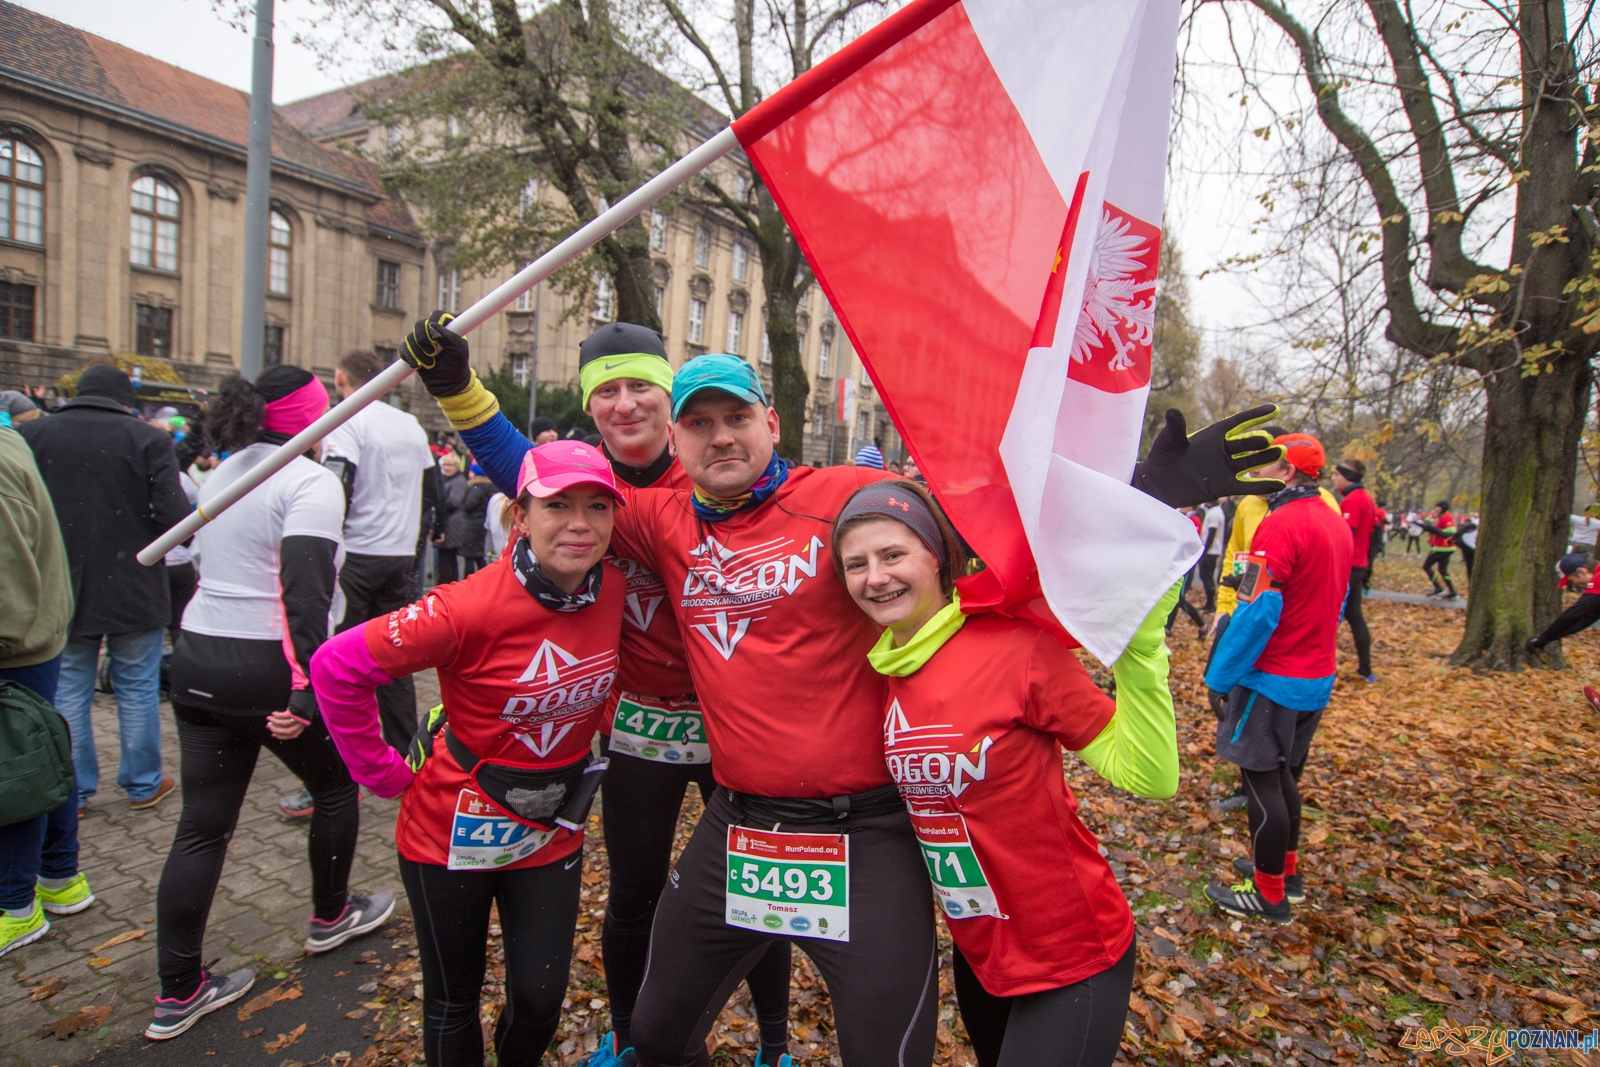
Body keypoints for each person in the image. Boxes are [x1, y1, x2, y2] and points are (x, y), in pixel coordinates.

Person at [409, 324, 937, 1067]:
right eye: (700, 424)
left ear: (771, 423)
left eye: (737, 418)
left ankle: (775, 1044)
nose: (719, 437)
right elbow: (538, 480)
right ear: (679, 438)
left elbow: (958, 540)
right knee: (656, 1032)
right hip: (738, 810)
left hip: (863, 823)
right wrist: (460, 393)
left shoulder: (846, 494)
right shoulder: (658, 518)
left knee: (886, 1053)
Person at [834, 479, 1179, 1067]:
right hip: (982, 953)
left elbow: (1147, 775)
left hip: (1071, 952)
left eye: (893, 555)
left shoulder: (1016, 650)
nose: (875, 577)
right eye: (856, 564)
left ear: (938, 559)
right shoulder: (884, 667)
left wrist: (1142, 650)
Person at [312, 441, 628, 1067]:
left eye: (597, 507)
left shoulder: (614, 589)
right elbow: (337, 667)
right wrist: (381, 774)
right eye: (557, 505)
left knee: (539, 1000)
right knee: (453, 1002)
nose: (579, 524)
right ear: (520, 517)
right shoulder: (465, 608)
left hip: (550, 829)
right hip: (450, 827)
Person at [149, 367, 394, 1041]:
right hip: (265, 663)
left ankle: (179, 989)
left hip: (198, 655)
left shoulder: (224, 470)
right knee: (338, 783)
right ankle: (331, 914)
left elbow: (189, 563)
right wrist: (307, 684)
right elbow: (306, 591)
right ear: (312, 419)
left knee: (201, 825)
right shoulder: (308, 480)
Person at [20, 364, 189, 811]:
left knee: (69, 689)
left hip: (61, 585)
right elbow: (176, 520)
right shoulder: (148, 439)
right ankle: (143, 783)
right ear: (125, 400)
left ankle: (73, 790)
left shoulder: (36, 437)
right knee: (136, 686)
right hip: (133, 582)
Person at [280, 351, 437, 819]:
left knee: (334, 665)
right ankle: (412, 754)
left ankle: (332, 772)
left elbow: (336, 486)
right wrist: (416, 537)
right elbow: (431, 494)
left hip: (357, 555)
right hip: (400, 554)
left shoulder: (345, 419)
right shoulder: (411, 425)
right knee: (394, 661)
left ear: (339, 378)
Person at [1204, 433, 1352, 923]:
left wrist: (1220, 674)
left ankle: (1267, 896)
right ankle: (1285, 874)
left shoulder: (1279, 524)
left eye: (1263, 467)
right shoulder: (1334, 523)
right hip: (1314, 676)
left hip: (1272, 677)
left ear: (1286, 472)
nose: (1253, 476)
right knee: (1285, 776)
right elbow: (1340, 600)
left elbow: (1258, 611)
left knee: (1262, 782)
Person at [0, 424, 95, 957]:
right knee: (44, 752)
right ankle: (59, 876)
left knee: (20, 767)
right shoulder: (11, 438)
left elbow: (7, 593)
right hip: (34, 635)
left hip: (18, 643)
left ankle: (14, 905)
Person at [1331, 458, 1378, 682]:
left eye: (1336, 475)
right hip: (1359, 565)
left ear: (1347, 476)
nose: (1333, 479)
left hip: (1349, 566)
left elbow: (1346, 535)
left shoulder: (1352, 501)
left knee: (1332, 616)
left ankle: (1324, 665)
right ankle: (1365, 668)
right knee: (1354, 615)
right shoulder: (1367, 498)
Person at [1525, 553, 1600, 657]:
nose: (1575, 586)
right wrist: (1548, 637)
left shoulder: (1597, 580)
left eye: (1572, 581)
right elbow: (1588, 617)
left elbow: (1574, 614)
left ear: (1581, 571)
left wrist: (1543, 638)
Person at [433, 452, 471, 584]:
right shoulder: (445, 479)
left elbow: (453, 502)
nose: (447, 467)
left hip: (453, 525)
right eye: (445, 464)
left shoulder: (459, 481)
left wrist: (436, 503)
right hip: (447, 522)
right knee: (445, 560)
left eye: (450, 465)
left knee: (448, 561)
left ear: (457, 466)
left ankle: (447, 586)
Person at [1419, 501, 1459, 599]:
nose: (1436, 509)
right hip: (1446, 548)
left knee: (1427, 566)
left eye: (1438, 508)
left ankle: (1438, 588)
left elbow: (1451, 532)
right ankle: (1453, 592)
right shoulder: (1442, 517)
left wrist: (1434, 530)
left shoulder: (1447, 517)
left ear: (1443, 508)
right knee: (1443, 570)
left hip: (1442, 548)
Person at [1199, 500, 1225, 612]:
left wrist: (1204, 551)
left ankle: (1211, 603)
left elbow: (1212, 533)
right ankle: (1209, 603)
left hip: (1211, 550)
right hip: (1210, 550)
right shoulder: (1214, 511)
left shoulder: (1215, 513)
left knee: (1207, 576)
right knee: (1204, 576)